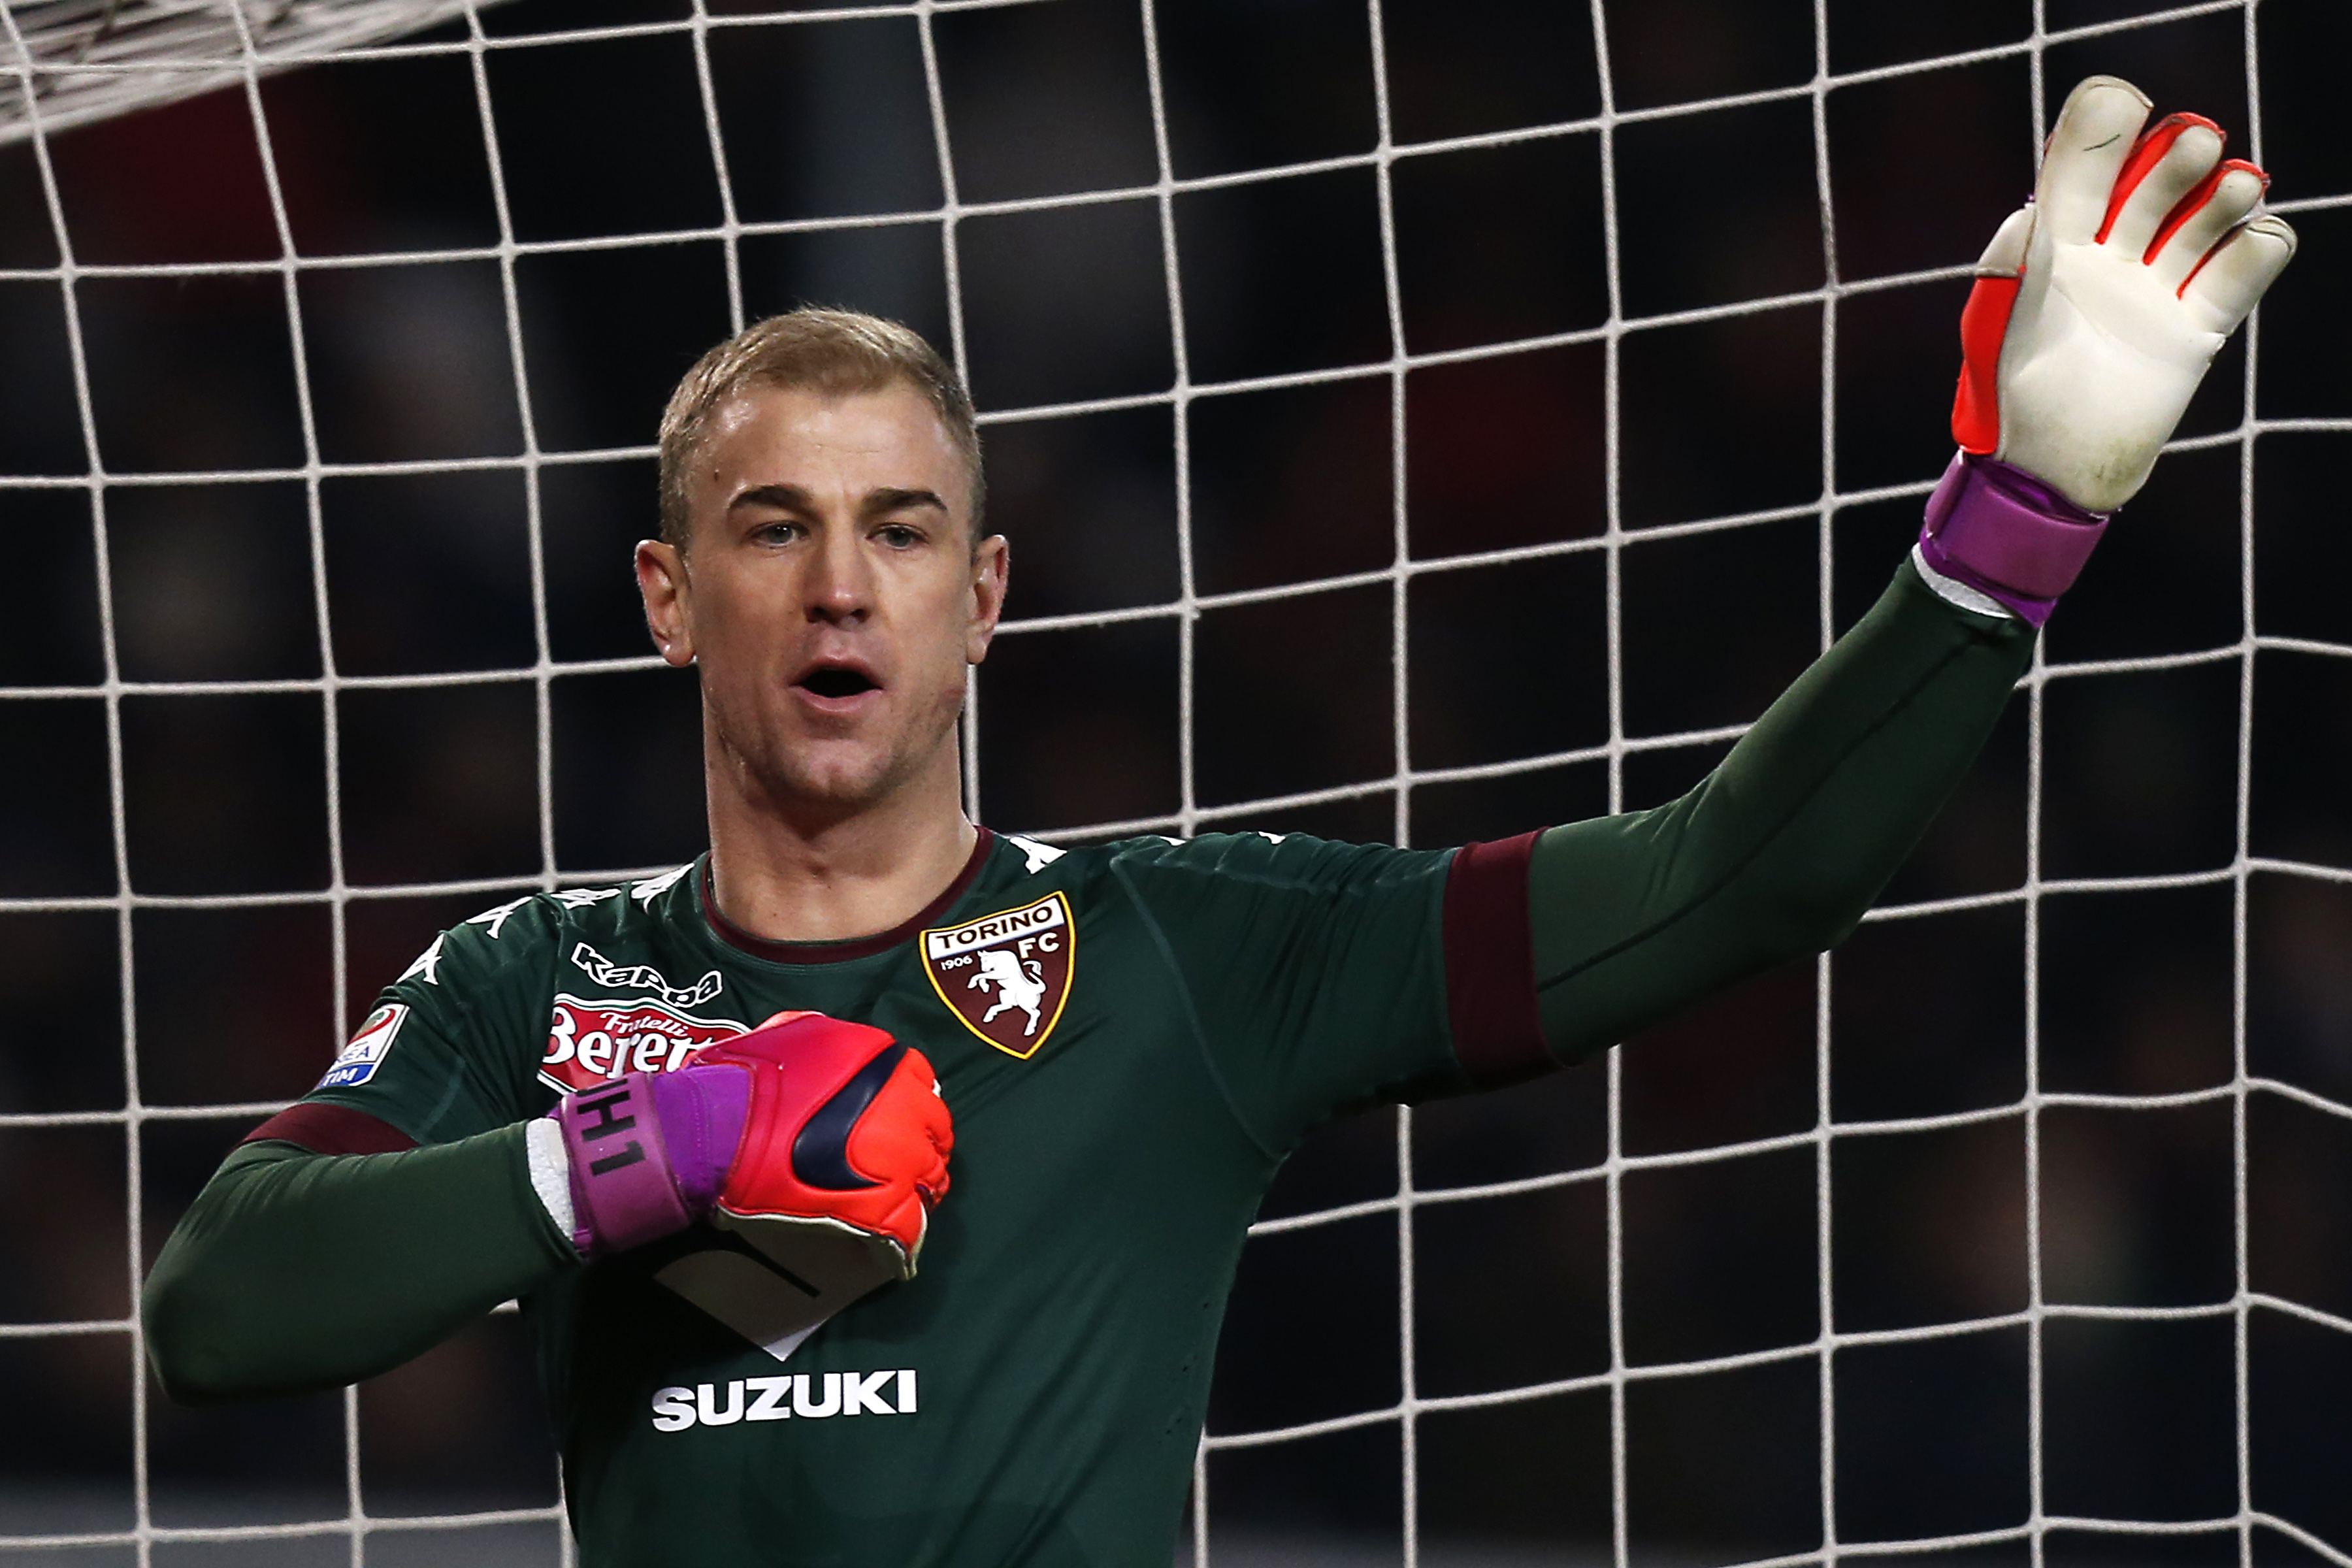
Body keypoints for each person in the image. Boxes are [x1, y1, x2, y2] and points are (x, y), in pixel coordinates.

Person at [143, 78, 2293, 1567]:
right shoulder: (541, 979)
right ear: (663, 592)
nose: (836, 587)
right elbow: (224, 1307)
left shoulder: (1189, 949)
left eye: (902, 532)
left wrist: (2010, 534)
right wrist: (645, 1154)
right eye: (770, 528)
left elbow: (1737, 882)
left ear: (982, 600)